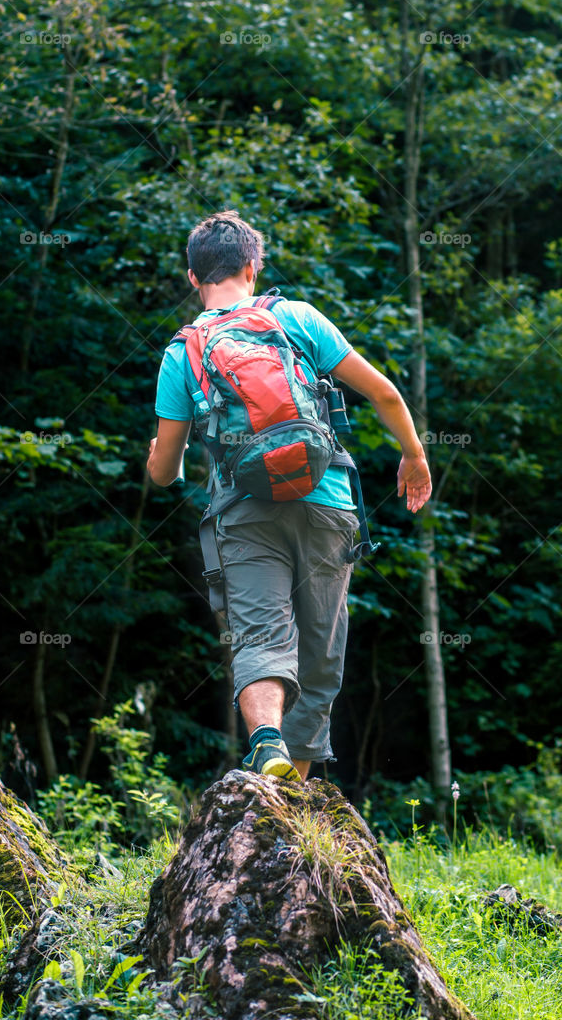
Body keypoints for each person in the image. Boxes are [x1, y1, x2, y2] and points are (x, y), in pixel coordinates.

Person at [147, 210, 432, 782]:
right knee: (321, 652)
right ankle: (295, 795)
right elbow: (384, 393)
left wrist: (161, 451)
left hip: (245, 511)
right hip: (327, 502)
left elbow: (164, 473)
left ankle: (268, 744)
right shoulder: (295, 317)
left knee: (259, 635)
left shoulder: (183, 353)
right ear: (253, 267)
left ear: (191, 277)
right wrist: (414, 455)